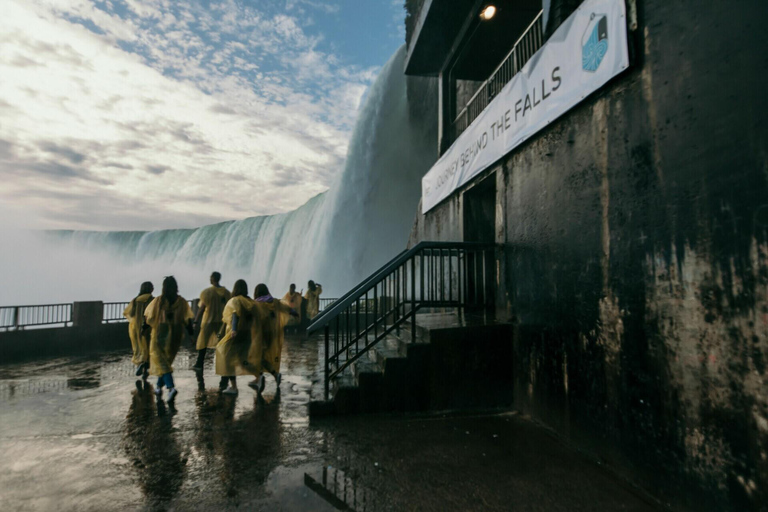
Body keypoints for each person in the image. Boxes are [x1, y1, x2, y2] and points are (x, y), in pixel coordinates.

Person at [144, 276, 193, 402]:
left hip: (161, 332)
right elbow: (187, 319)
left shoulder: (159, 301)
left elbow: (149, 316)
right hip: (176, 334)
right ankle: (159, 387)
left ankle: (171, 388)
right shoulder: (181, 301)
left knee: (160, 361)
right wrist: (192, 334)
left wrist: (143, 328)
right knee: (166, 362)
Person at [214, 279, 261, 395]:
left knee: (226, 357)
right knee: (241, 359)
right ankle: (258, 376)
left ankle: (234, 387)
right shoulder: (250, 302)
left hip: (235, 334)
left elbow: (235, 315)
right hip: (247, 334)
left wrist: (234, 329)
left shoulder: (235, 300)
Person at [251, 283, 297, 392]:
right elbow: (286, 308)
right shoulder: (274, 302)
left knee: (257, 356)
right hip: (272, 335)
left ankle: (270, 376)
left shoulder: (256, 304)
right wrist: (294, 312)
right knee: (262, 356)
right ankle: (262, 377)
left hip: (260, 334)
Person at [193, 272, 231, 373]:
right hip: (221, 322)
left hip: (208, 321)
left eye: (210, 277)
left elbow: (202, 308)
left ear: (213, 279)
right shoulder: (227, 293)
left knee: (203, 342)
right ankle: (224, 363)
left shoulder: (207, 292)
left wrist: (196, 320)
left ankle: (199, 364)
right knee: (222, 343)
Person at [124, 281, 154, 378]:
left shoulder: (135, 300)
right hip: (147, 326)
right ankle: (145, 367)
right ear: (151, 289)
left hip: (134, 327)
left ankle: (140, 364)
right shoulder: (151, 299)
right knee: (148, 347)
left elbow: (128, 313)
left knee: (138, 347)